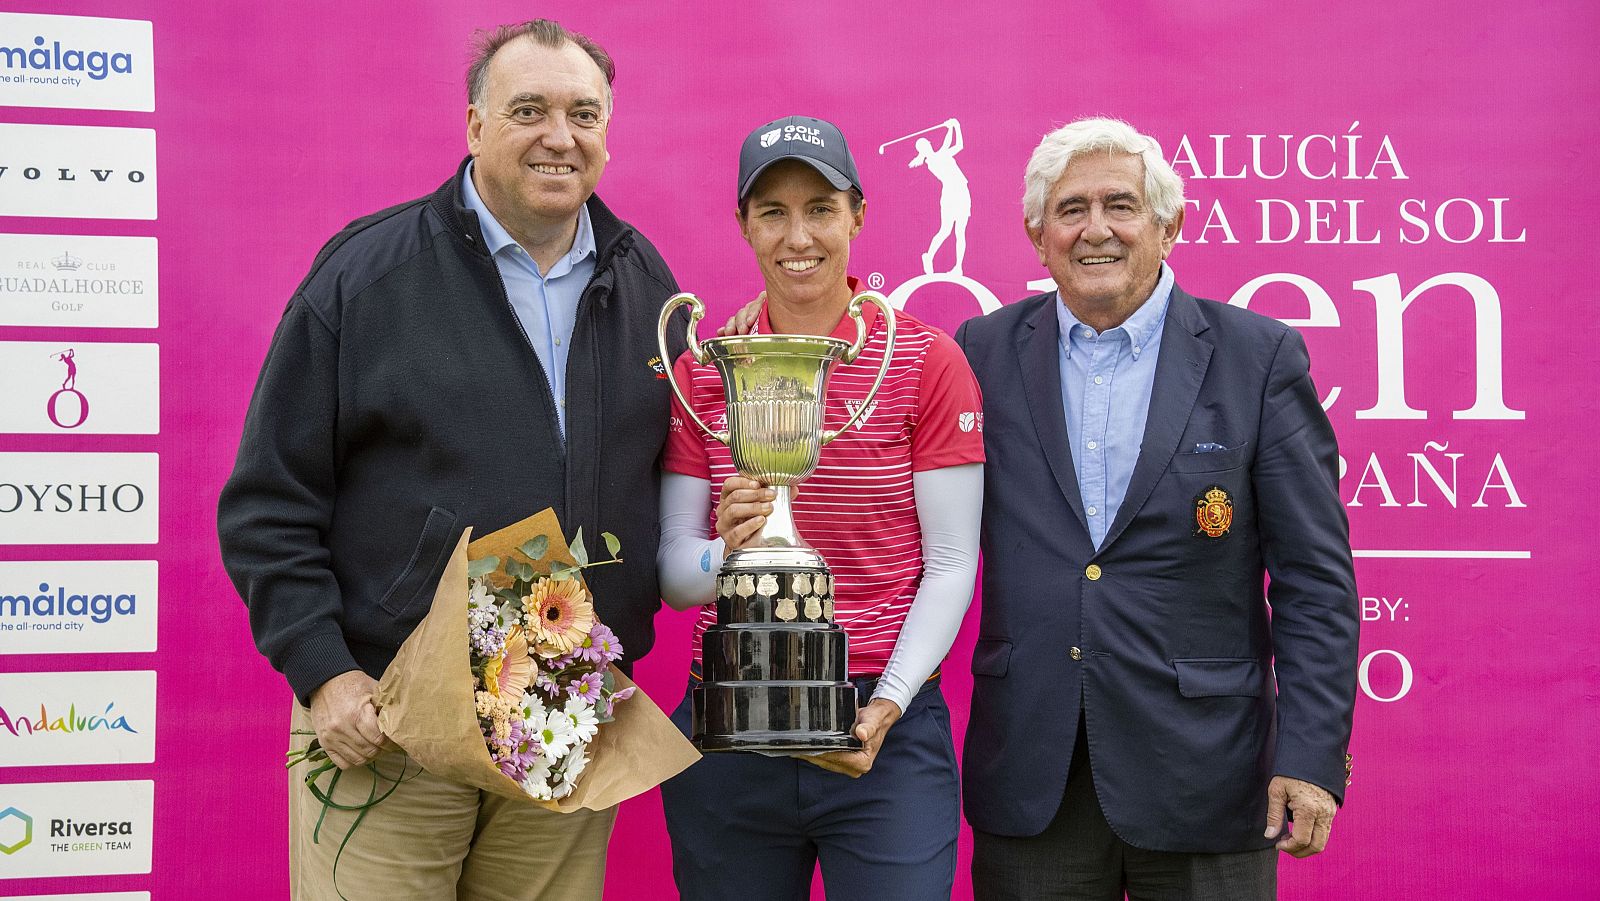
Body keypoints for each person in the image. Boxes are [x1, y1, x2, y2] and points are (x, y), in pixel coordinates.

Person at [217, 20, 683, 900]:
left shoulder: (648, 287)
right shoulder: (367, 276)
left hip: (560, 697)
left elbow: (669, 478)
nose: (560, 135)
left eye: (584, 113)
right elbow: (267, 501)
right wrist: (324, 669)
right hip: (391, 707)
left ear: (608, 134)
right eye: (529, 110)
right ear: (474, 128)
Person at [953, 117, 1359, 900]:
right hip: (1036, 778)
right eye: (1071, 209)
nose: (1095, 229)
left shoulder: (1259, 357)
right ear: (1037, 235)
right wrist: (765, 332)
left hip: (1206, 777)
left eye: (1121, 205)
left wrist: (1310, 757)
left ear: (1169, 225)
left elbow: (1315, 581)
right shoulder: (979, 352)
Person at [656, 115, 985, 901]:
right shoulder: (708, 368)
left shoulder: (926, 361)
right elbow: (674, 570)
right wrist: (726, 551)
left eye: (820, 208)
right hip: (728, 720)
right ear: (742, 223)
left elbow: (950, 562)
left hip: (884, 728)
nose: (797, 235)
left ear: (858, 215)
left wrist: (888, 705)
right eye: (772, 211)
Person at [907, 118, 971, 275]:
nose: (927, 146)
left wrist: (954, 127)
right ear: (921, 151)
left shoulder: (940, 154)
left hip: (962, 192)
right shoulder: (933, 160)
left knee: (960, 232)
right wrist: (955, 126)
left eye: (927, 144)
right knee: (946, 231)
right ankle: (928, 256)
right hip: (950, 195)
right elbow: (953, 145)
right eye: (923, 147)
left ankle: (958, 267)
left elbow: (954, 145)